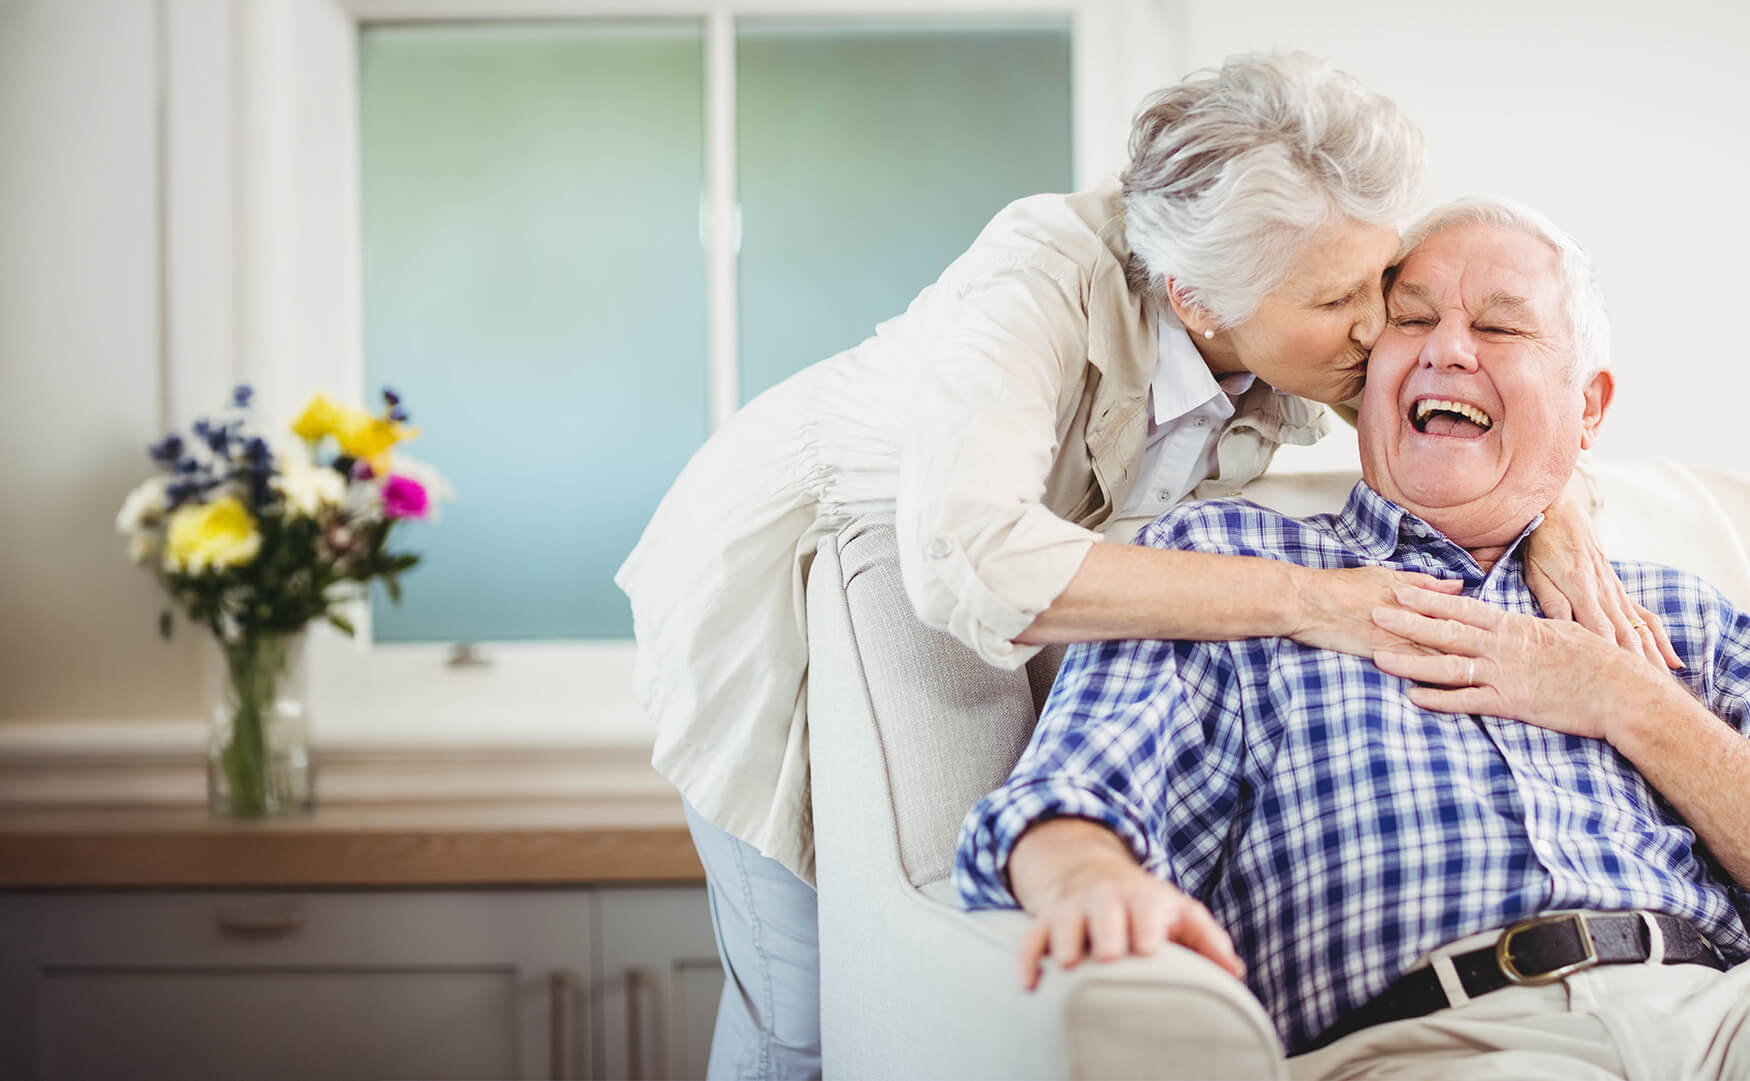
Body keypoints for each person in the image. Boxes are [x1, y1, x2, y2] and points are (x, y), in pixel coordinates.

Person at [617, 52, 1672, 1080]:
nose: (1375, 328)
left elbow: (1484, 414)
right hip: (793, 572)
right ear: (1201, 301)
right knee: (797, 1003)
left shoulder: (1305, 296)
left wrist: (1564, 510)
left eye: (1381, 282)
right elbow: (967, 556)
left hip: (1033, 586)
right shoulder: (1037, 277)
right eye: (1340, 302)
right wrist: (1313, 602)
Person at [954, 198, 1750, 1079]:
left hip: (1732, 1026)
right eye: (1411, 320)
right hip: (1450, 1037)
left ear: (1589, 409)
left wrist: (1626, 699)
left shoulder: (1681, 617)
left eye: (1498, 326)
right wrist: (1085, 878)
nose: (1447, 350)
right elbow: (1067, 795)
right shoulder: (1221, 559)